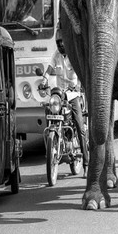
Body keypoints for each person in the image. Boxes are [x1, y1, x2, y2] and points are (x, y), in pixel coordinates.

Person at [40, 29, 89, 175]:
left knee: (80, 126)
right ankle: (53, 142)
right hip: (61, 94)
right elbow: (49, 69)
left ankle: (86, 164)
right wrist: (44, 80)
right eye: (58, 43)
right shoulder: (56, 55)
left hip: (73, 95)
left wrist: (80, 86)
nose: (61, 45)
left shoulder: (74, 55)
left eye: (63, 42)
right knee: (48, 110)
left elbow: (81, 70)